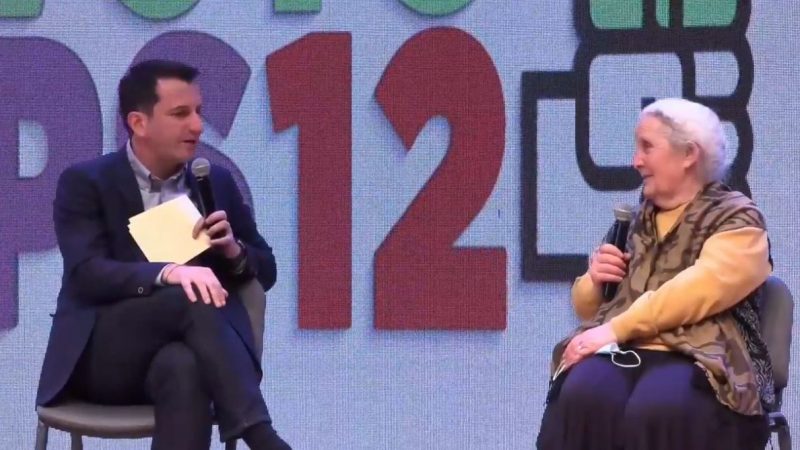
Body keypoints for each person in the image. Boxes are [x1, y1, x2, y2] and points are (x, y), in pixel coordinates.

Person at [36, 59, 291, 450]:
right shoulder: (86, 182)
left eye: (199, 112)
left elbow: (265, 272)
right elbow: (87, 273)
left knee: (185, 367)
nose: (198, 126)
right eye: (180, 114)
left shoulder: (214, 183)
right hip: (104, 359)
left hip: (182, 358)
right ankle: (262, 437)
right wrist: (169, 272)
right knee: (187, 294)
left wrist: (232, 251)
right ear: (139, 123)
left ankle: (258, 434)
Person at [536, 98, 773, 450]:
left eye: (647, 147)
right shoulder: (633, 223)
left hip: (701, 356)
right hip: (625, 349)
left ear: (688, 154)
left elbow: (696, 290)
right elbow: (590, 309)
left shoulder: (737, 219)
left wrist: (614, 329)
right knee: (583, 392)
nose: (636, 161)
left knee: (659, 404)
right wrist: (594, 281)